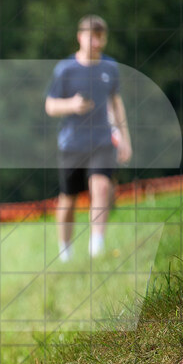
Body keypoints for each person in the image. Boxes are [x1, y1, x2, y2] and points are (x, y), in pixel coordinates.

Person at [45, 14, 132, 261]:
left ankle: (97, 248)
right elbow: (50, 106)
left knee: (101, 187)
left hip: (102, 141)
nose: (96, 42)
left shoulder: (110, 68)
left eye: (100, 37)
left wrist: (124, 138)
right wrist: (72, 105)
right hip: (72, 144)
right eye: (91, 37)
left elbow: (116, 103)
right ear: (80, 37)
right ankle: (65, 251)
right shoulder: (65, 69)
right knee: (68, 199)